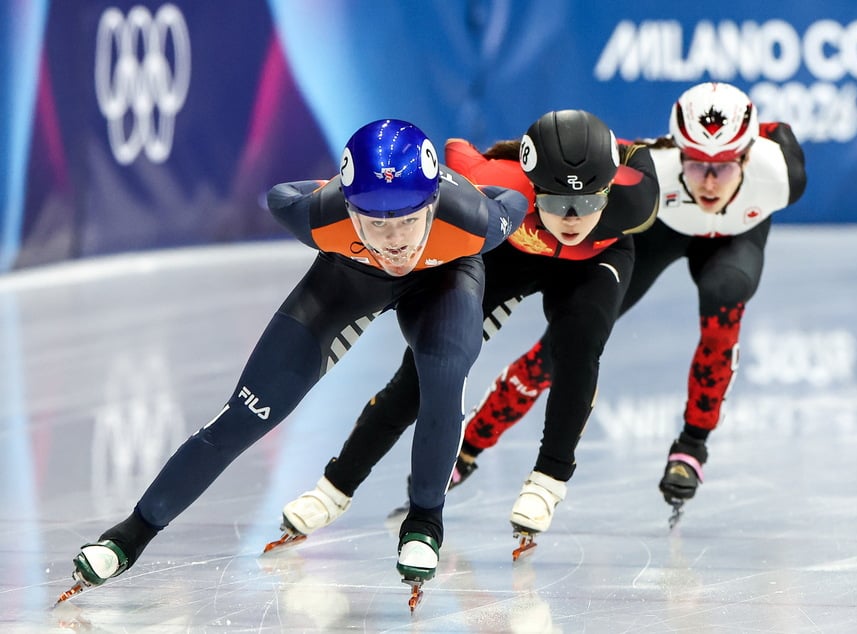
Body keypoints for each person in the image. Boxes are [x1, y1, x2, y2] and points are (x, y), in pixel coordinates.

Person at [60, 119, 528, 604]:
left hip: (444, 280)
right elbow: (283, 193)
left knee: (443, 376)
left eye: (409, 220)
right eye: (376, 223)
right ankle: (130, 535)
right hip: (348, 279)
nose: (394, 242)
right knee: (247, 413)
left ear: (433, 205)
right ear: (349, 209)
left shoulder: (474, 220)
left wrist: (477, 183)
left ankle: (426, 519)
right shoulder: (315, 215)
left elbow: (512, 201)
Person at [272, 110, 659, 554]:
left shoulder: (637, 199)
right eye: (555, 203)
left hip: (595, 265)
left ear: (609, 191)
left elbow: (641, 155)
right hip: (514, 255)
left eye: (589, 203)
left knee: (580, 347)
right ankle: (334, 487)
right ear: (532, 188)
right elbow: (455, 152)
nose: (572, 220)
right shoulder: (497, 182)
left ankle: (549, 480)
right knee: (421, 375)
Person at [448, 82, 807, 525]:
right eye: (695, 165)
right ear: (676, 150)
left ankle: (693, 445)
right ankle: (471, 445)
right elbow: (578, 151)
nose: (710, 182)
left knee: (724, 306)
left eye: (725, 167)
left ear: (749, 156)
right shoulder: (652, 169)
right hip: (663, 228)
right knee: (567, 343)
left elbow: (774, 128)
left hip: (736, 241)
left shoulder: (783, 173)